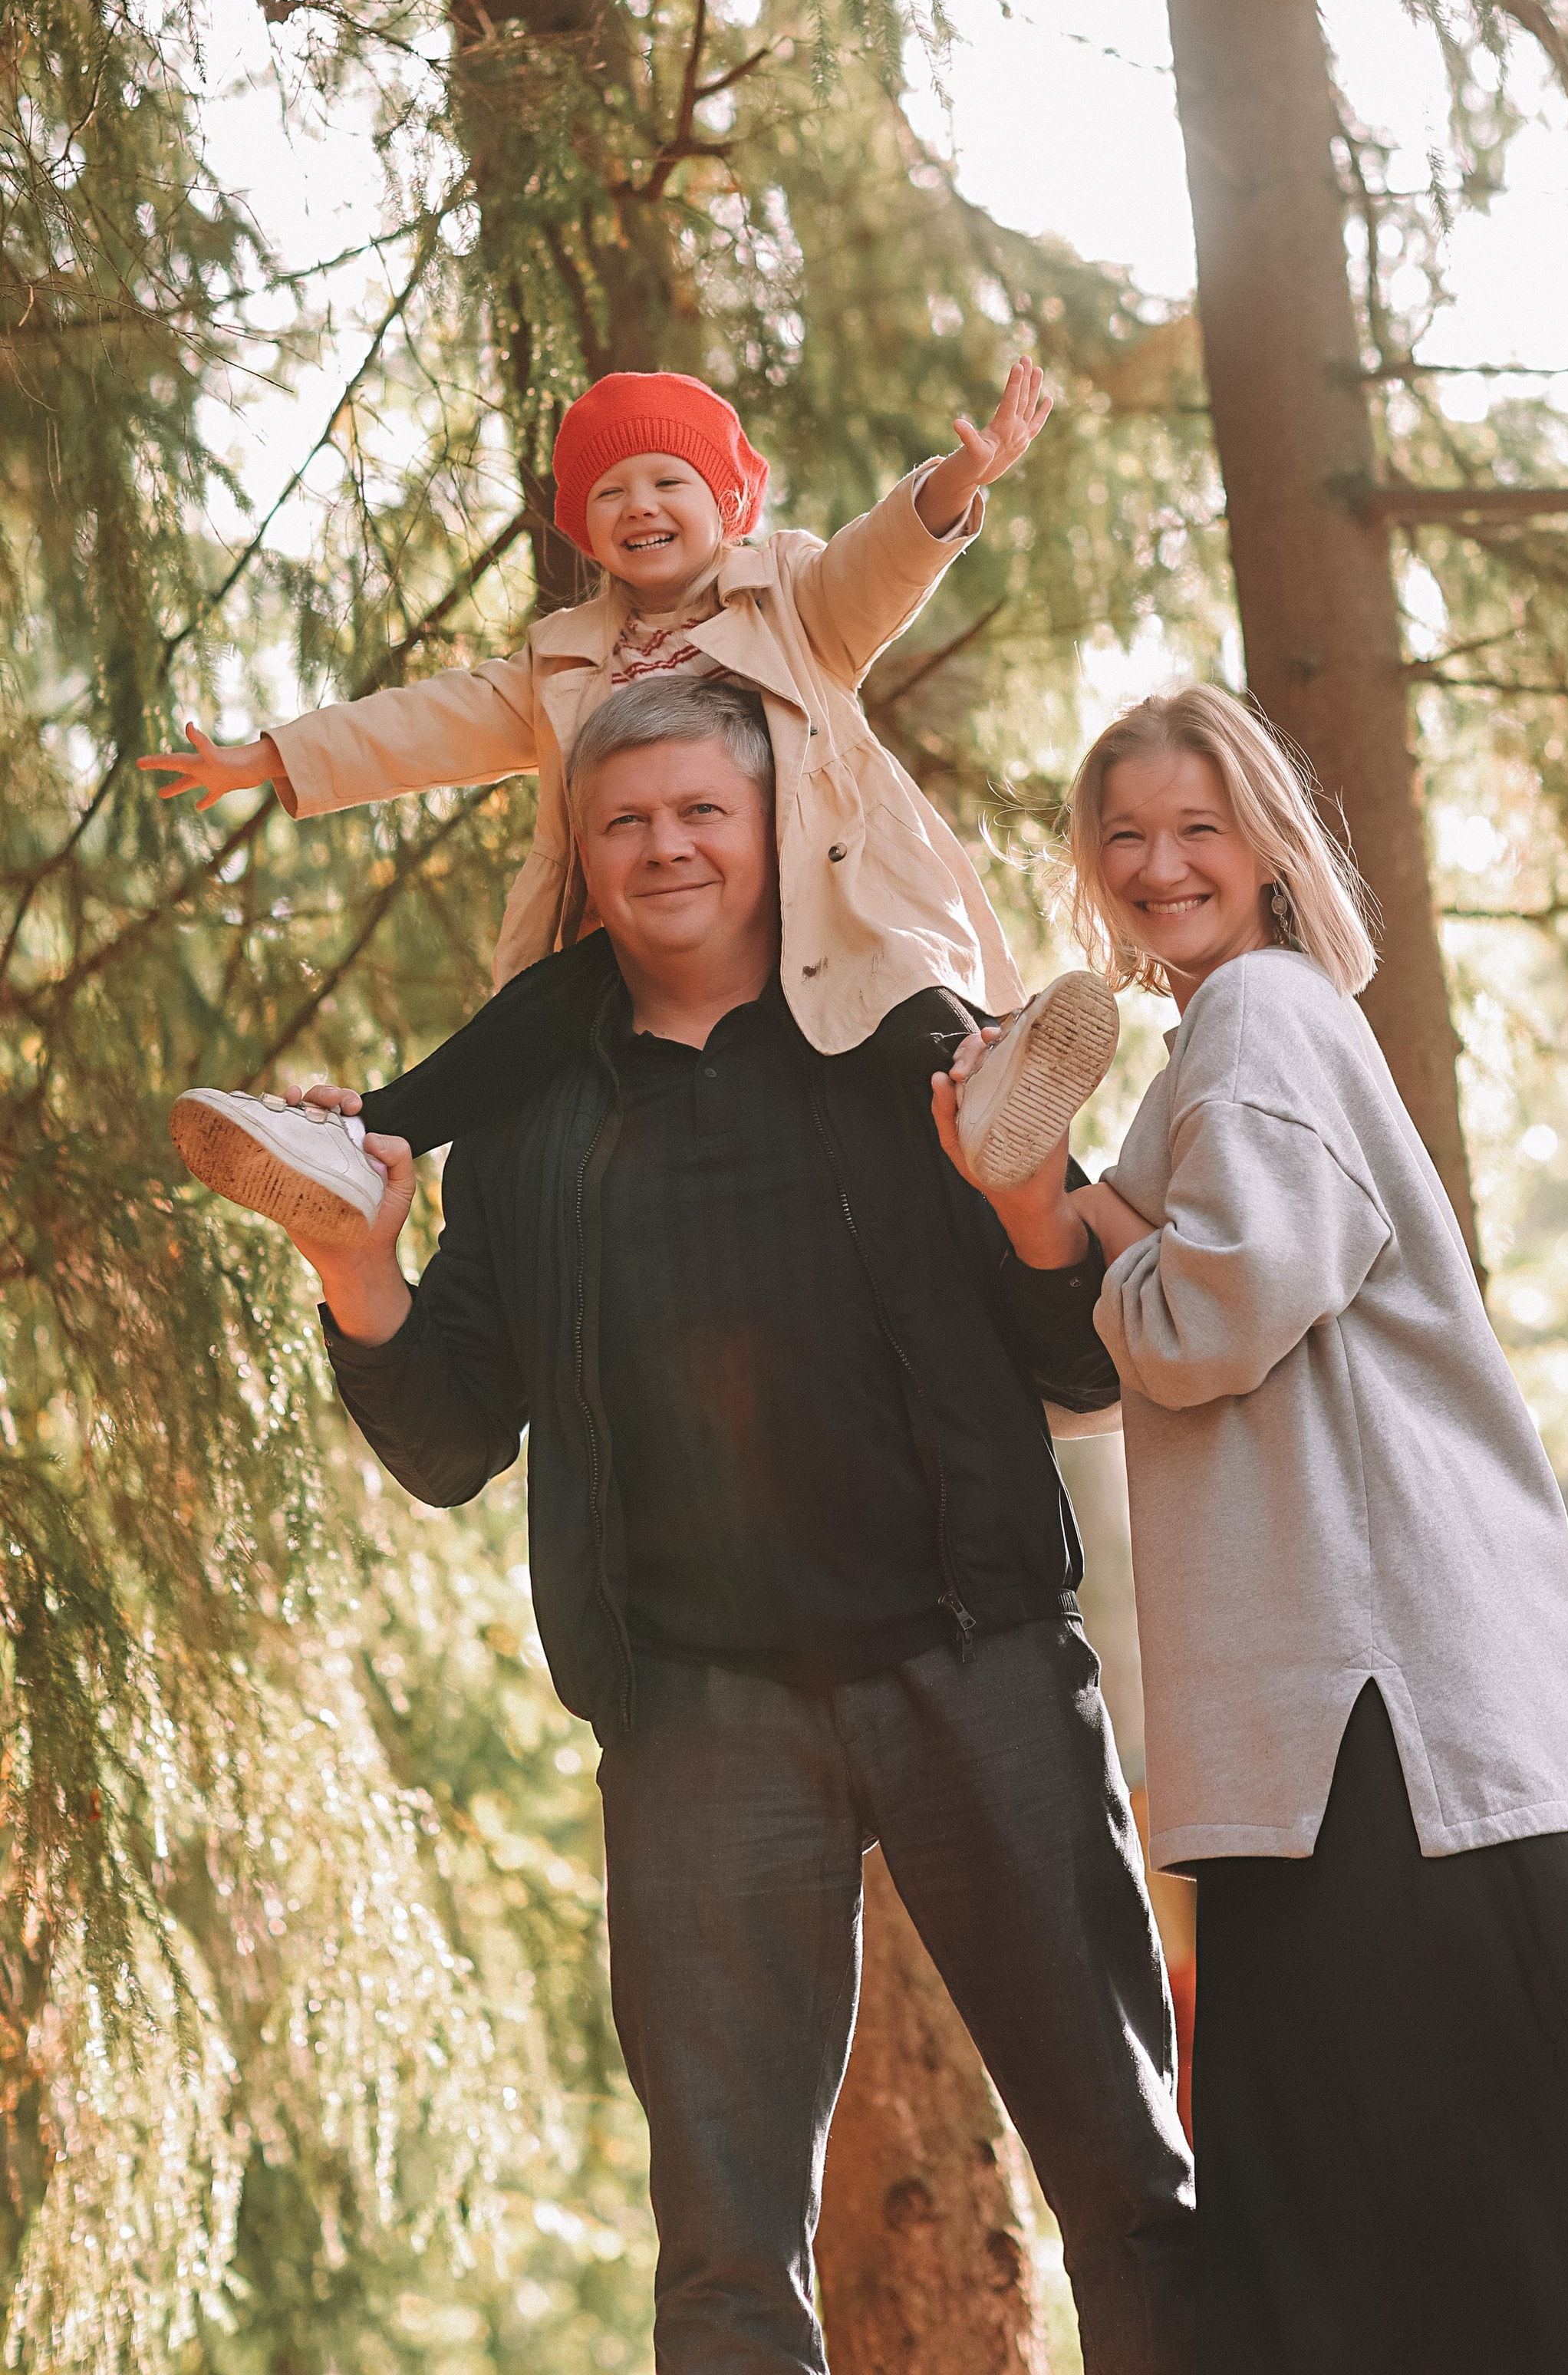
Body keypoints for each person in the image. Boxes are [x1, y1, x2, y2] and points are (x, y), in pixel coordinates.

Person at [931, 679, 1568, 2375]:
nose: (1155, 862)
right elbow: (1133, 1323)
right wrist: (1044, 1206)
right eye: (1120, 836)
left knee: (1551, 2122)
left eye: (1196, 826)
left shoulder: (1260, 1013)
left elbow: (1227, 1306)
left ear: (1267, 849)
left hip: (1375, 1692)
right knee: (1360, 2172)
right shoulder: (1220, 1048)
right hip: (1322, 1703)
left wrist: (1063, 1221)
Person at [275, 672, 1194, 2374]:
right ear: (583, 854)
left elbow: (1079, 1359)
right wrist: (357, 1270)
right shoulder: (528, 1120)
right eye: (625, 821)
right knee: (720, 2250)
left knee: (1129, 2180)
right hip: (699, 1721)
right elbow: (450, 1436)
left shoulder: (912, 1048)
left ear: (774, 833)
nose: (666, 847)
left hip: (975, 1663)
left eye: (703, 811)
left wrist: (1024, 1187)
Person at [145, 362, 1117, 1243]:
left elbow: (878, 563)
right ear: (585, 528)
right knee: (538, 1012)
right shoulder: (566, 654)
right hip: (664, 919)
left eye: (667, 482)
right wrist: (271, 757)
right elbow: (429, 721)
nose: (639, 505)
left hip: (827, 891)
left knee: (907, 993)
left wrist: (952, 486)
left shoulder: (789, 596)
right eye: (610, 491)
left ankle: (996, 1103)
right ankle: (362, 1142)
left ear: (725, 503)